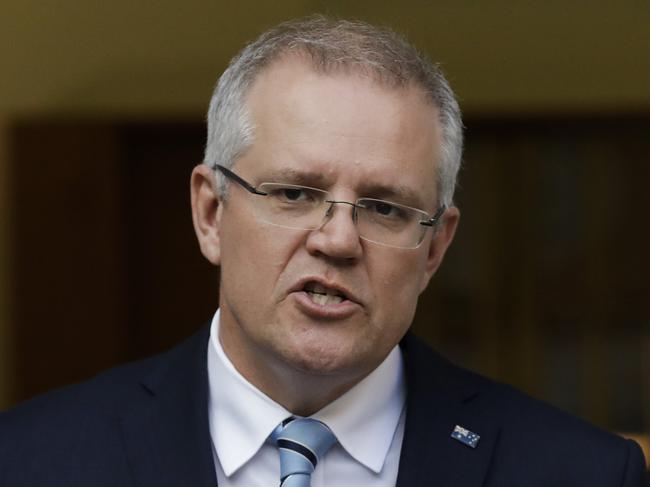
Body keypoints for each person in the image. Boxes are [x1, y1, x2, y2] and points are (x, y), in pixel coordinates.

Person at [0, 15, 646, 487]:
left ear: (434, 248)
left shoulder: (576, 472)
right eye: (294, 193)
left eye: (385, 208)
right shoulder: (31, 461)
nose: (337, 240)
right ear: (210, 212)